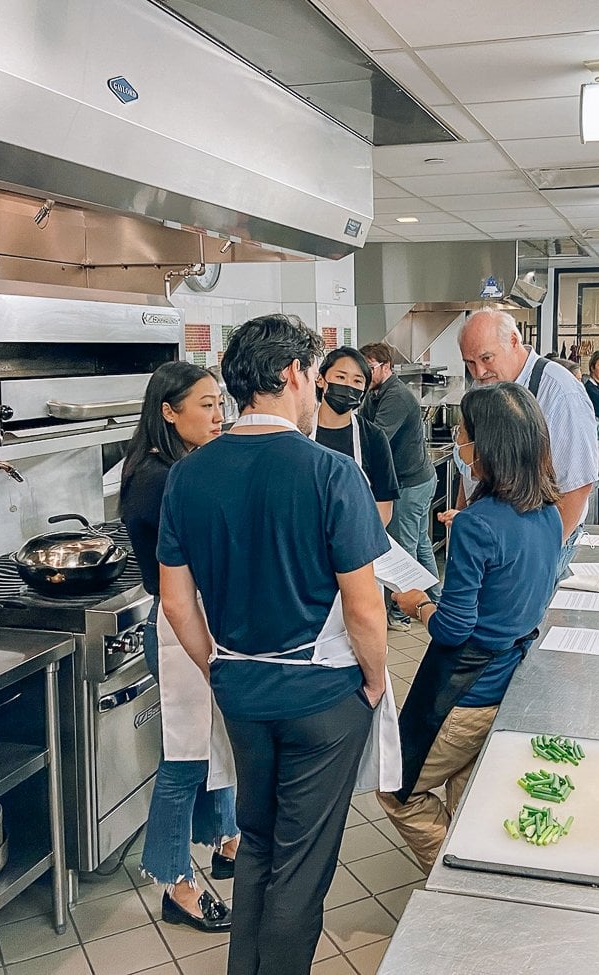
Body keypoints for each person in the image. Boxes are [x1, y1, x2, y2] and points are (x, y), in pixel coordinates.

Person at [158, 313, 396, 975]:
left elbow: (175, 600)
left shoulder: (189, 476)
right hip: (322, 697)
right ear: (294, 373)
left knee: (257, 842)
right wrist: (375, 680)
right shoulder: (331, 473)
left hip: (241, 692)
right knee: (301, 864)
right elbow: (364, 607)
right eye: (315, 375)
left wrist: (217, 666)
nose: (317, 389)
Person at [379, 383, 561, 872]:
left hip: (468, 693)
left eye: (463, 433)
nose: (458, 441)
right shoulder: (548, 511)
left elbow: (453, 629)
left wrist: (418, 603)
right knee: (467, 789)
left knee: (396, 791)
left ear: (486, 446)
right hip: (511, 680)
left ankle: (457, 879)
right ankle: (474, 864)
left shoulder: (478, 526)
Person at [120, 361, 236, 932]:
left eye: (220, 404)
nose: (218, 416)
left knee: (214, 741)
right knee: (186, 756)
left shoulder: (179, 466)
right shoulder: (159, 478)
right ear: (169, 411)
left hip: (200, 616)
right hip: (176, 624)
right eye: (206, 405)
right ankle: (175, 884)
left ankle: (226, 840)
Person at [456, 309, 598, 580]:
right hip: (489, 539)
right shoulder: (483, 388)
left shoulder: (559, 391)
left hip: (536, 546)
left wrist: (541, 555)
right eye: (470, 363)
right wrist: (462, 518)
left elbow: (577, 485)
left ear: (513, 341)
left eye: (486, 358)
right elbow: (470, 469)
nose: (479, 372)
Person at [360, 342, 442, 632]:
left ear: (386, 367)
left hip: (411, 483)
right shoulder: (375, 393)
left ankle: (402, 614)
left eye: (369, 368)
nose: (365, 374)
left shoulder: (395, 396)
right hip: (414, 479)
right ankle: (437, 600)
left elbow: (375, 438)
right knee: (420, 544)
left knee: (405, 550)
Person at [314, 346, 399, 526]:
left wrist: (360, 538)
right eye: (340, 377)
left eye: (357, 381)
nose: (348, 385)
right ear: (320, 379)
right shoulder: (300, 431)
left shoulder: (373, 438)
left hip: (356, 536)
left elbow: (384, 506)